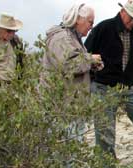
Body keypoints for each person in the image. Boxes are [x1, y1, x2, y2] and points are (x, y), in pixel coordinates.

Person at [85, 0, 133, 168]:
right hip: (103, 86)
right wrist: (93, 78)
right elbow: (84, 53)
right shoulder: (104, 28)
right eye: (131, 18)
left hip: (127, 87)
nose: (132, 22)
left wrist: (132, 78)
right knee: (105, 130)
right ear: (123, 12)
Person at [42, 4, 102, 142]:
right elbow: (67, 65)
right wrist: (90, 59)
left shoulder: (73, 38)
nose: (91, 26)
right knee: (63, 150)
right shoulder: (61, 38)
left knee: (71, 148)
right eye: (90, 22)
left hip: (70, 105)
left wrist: (93, 63)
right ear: (78, 19)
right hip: (60, 106)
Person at [0, 13, 24, 90]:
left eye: (14, 31)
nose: (12, 34)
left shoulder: (16, 42)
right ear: (0, 28)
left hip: (12, 89)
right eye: (9, 31)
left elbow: (20, 65)